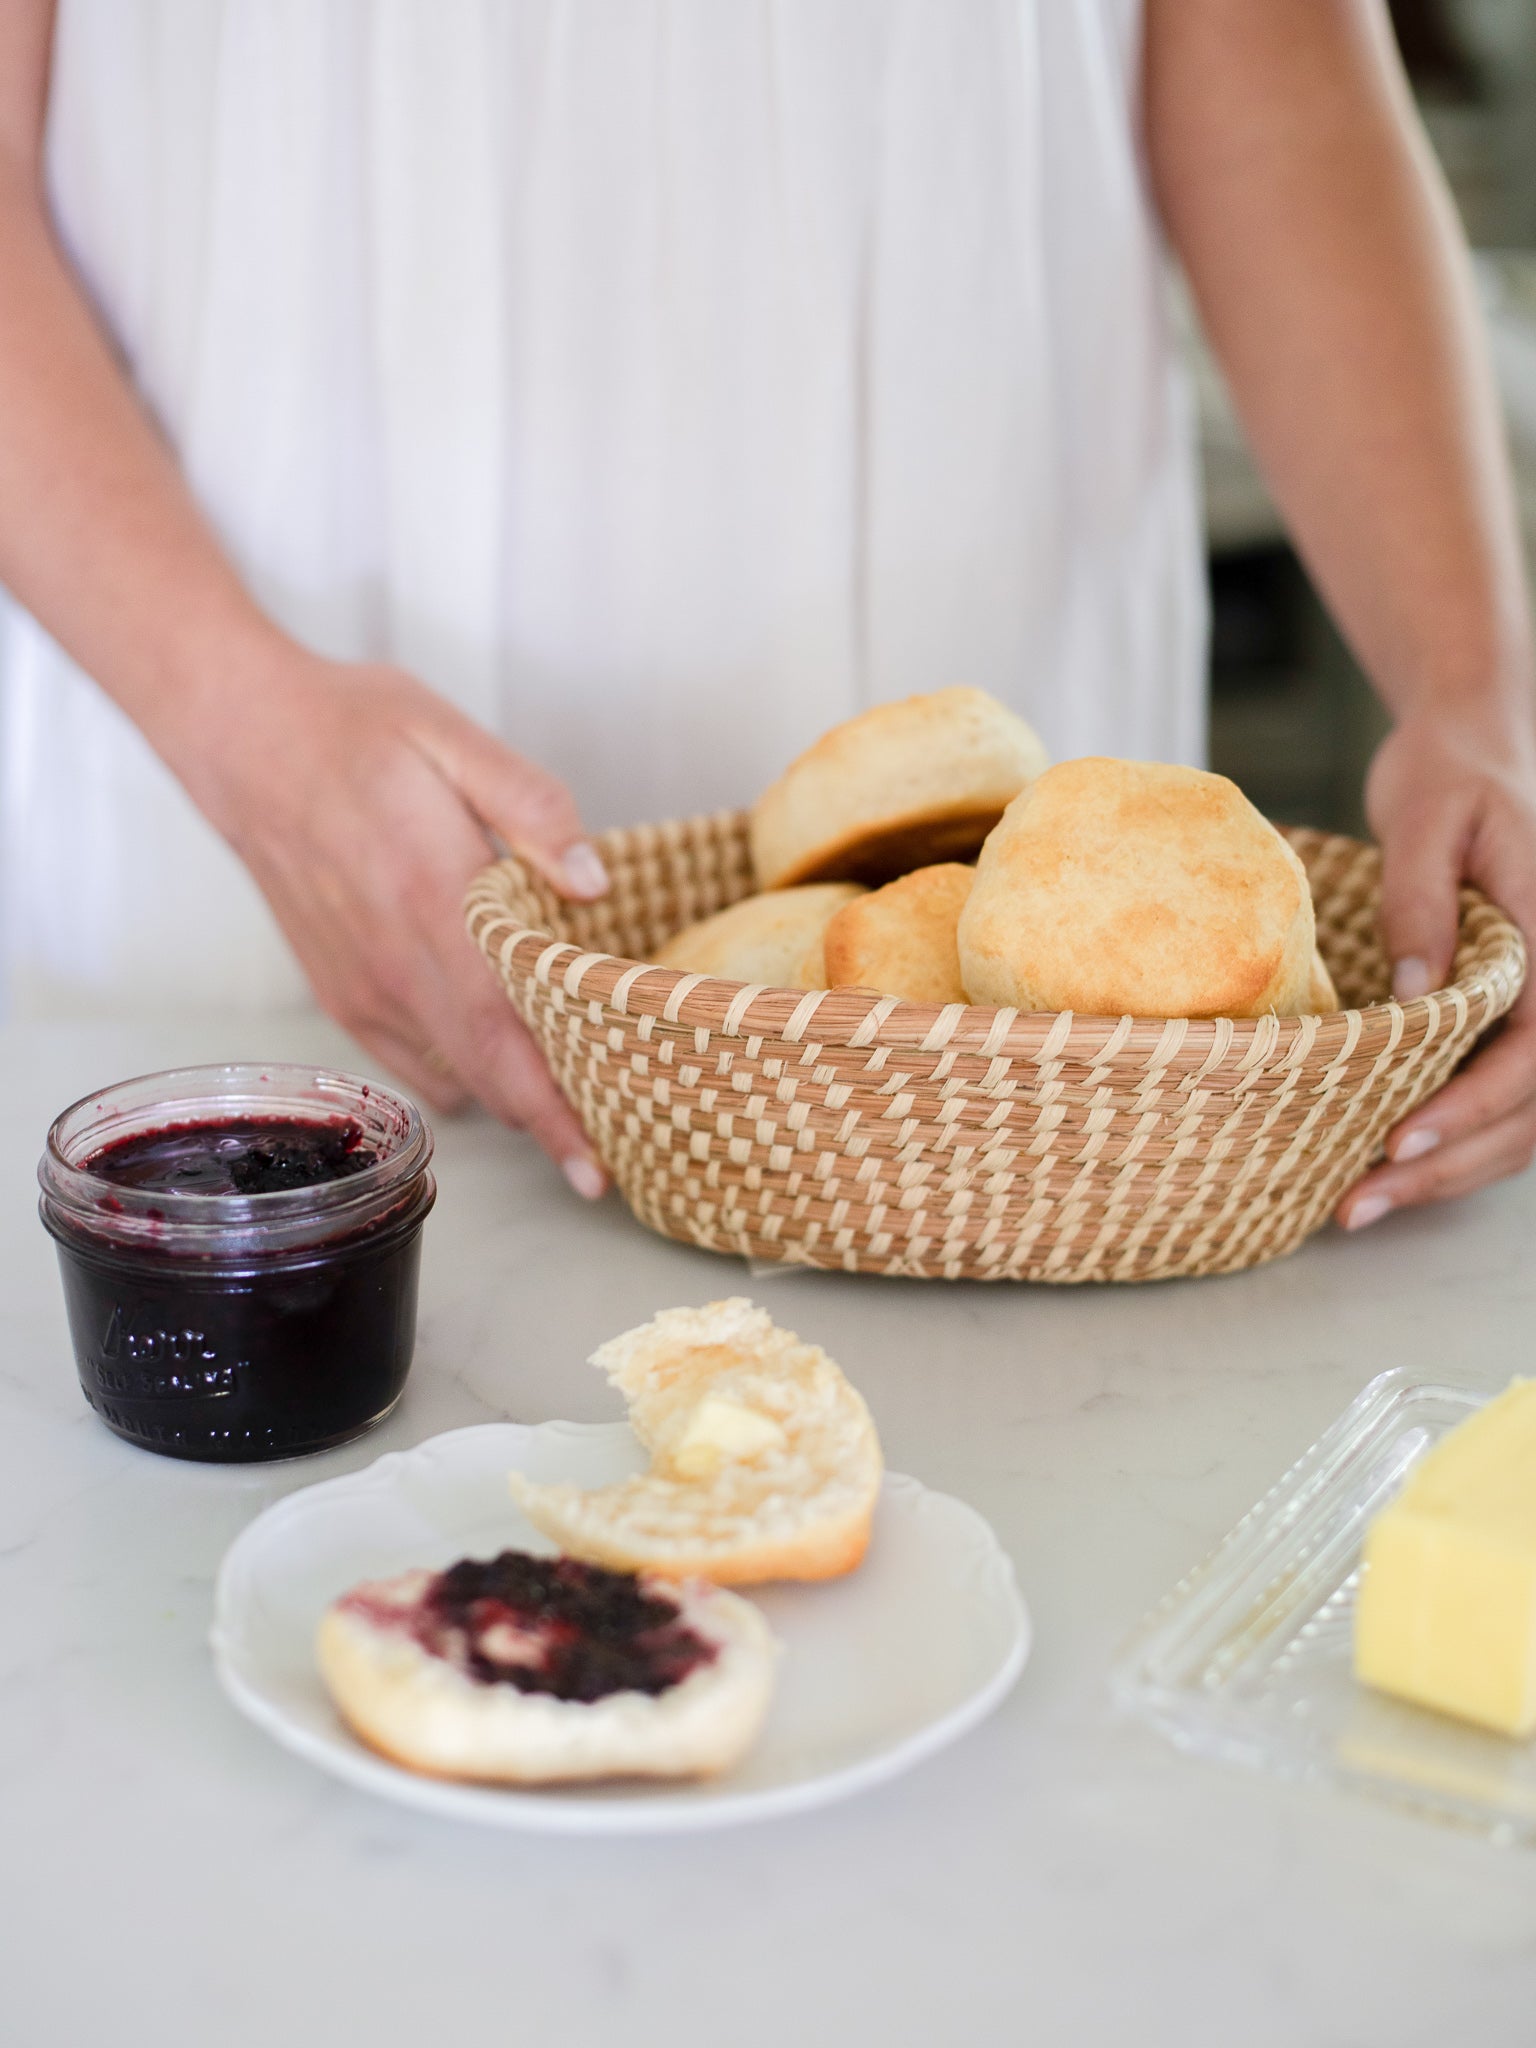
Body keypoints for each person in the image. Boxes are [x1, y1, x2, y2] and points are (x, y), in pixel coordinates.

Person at [2, 0, 1534, 1230]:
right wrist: (235, 716)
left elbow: (1274, 73)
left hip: (1022, 985)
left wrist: (1478, 691)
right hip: (237, 751)